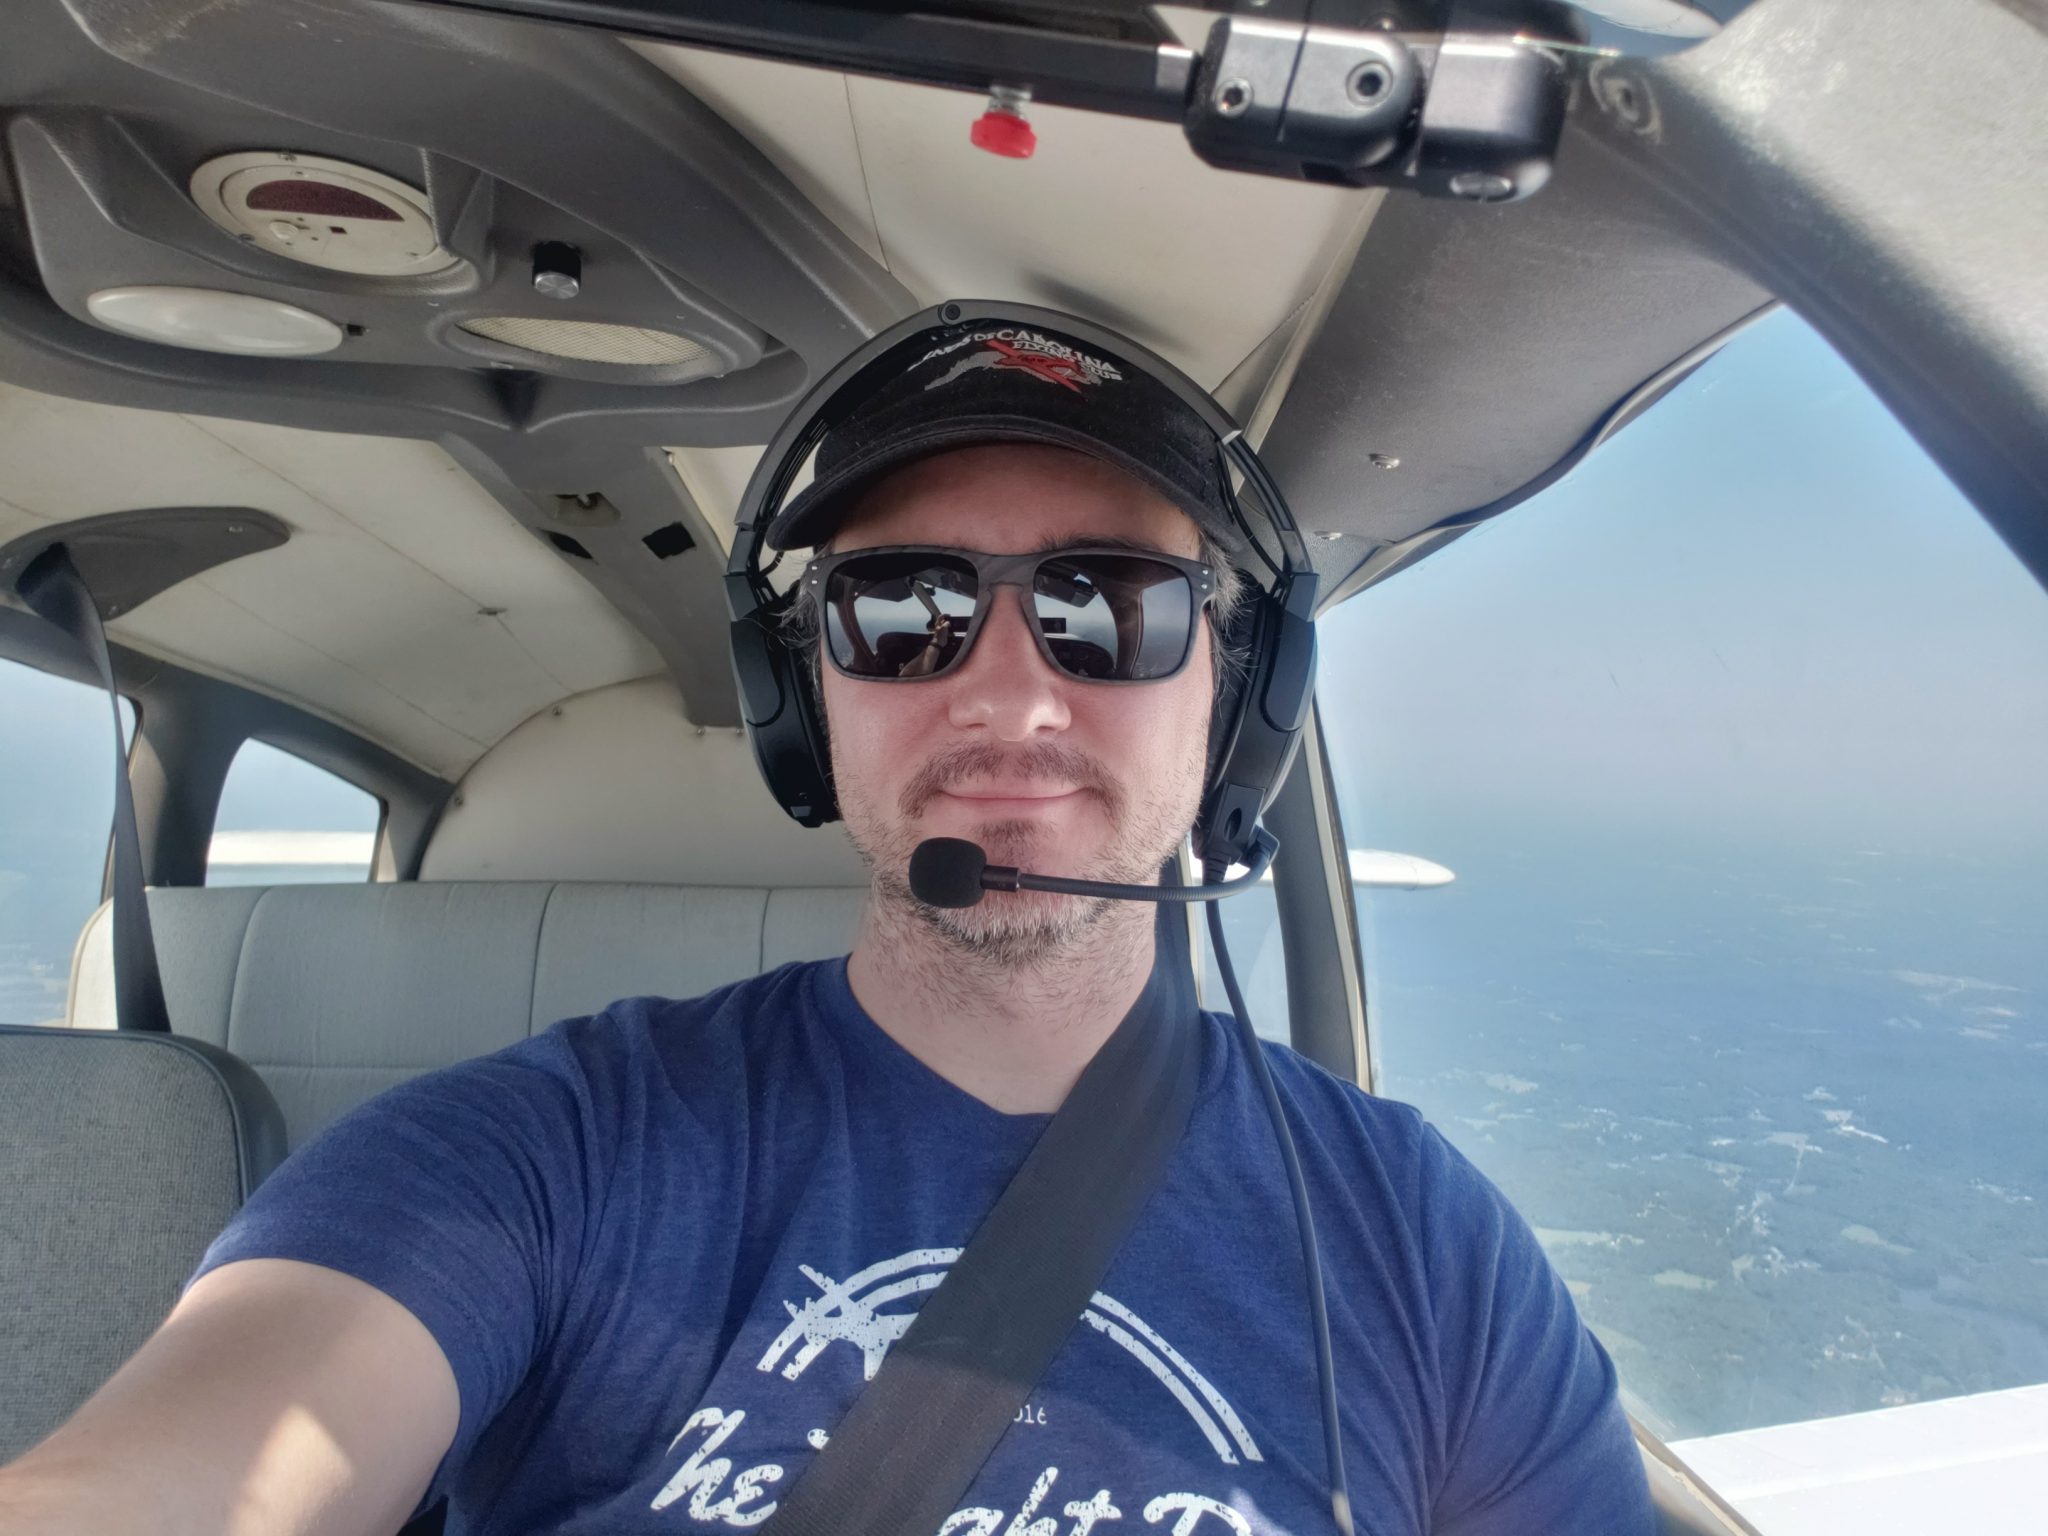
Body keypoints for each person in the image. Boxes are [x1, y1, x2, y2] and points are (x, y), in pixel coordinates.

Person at [0, 316, 1653, 1535]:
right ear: (810, 705)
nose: (1011, 692)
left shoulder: (1425, 1244)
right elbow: (202, 1467)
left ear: (1238, 704)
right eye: (903, 609)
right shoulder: (546, 1155)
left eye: (1111, 609)